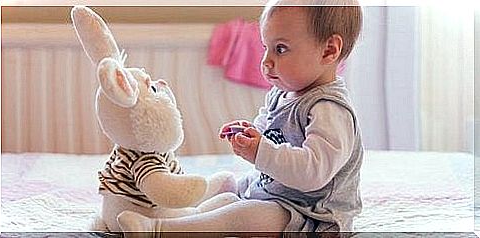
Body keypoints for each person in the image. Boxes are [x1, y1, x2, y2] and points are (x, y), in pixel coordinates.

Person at [117, 0, 364, 233]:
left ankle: (159, 230)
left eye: (280, 49)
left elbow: (313, 171)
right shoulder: (282, 93)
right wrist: (250, 135)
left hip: (311, 216)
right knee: (226, 189)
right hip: (276, 192)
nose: (266, 61)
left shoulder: (330, 109)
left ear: (329, 51)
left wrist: (260, 151)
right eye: (266, 48)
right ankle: (183, 217)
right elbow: (270, 132)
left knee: (242, 215)